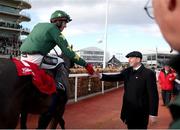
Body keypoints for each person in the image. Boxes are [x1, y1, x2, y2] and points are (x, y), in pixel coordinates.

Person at [20, 10, 95, 128]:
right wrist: (86, 65)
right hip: (36, 59)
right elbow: (68, 53)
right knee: (60, 62)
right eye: (64, 23)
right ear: (58, 22)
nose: (65, 26)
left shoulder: (38, 25)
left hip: (22, 57)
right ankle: (60, 87)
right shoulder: (55, 30)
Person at [95, 51, 159, 129]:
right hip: (128, 110)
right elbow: (116, 77)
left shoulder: (148, 73)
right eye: (128, 58)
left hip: (141, 112)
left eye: (131, 58)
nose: (129, 60)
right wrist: (100, 75)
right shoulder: (127, 71)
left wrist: (153, 113)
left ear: (138, 59)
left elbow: (153, 95)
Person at [152, 0, 180, 128]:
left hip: (169, 87)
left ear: (170, 3)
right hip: (164, 87)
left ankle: (168, 103)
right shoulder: (162, 71)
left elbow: (173, 77)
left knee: (168, 97)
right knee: (164, 97)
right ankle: (166, 103)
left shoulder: (172, 71)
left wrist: (170, 78)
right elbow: (159, 77)